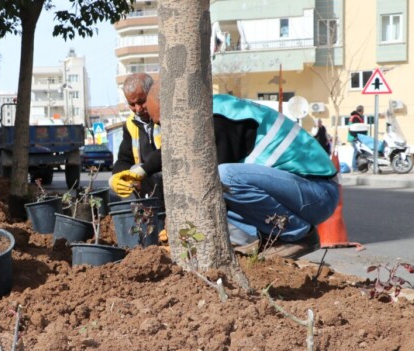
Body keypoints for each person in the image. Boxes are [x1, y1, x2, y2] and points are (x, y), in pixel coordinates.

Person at [135, 80, 338, 259]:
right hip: (303, 192)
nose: (164, 130)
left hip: (318, 192)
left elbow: (206, 187)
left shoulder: (218, 120)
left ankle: (298, 235)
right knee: (222, 187)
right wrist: (143, 170)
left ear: (176, 110)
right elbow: (174, 149)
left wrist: (177, 222)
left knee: (222, 179)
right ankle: (265, 240)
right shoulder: (207, 114)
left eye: (162, 122)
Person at [108, 73, 163, 202]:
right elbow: (124, 160)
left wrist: (143, 170)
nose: (137, 109)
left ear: (152, 94)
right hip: (148, 189)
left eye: (141, 102)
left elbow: (169, 151)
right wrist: (116, 177)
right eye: (132, 104)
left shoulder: (164, 117)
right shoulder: (130, 124)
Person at [348, 105, 365, 170]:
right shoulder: (356, 117)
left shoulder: (354, 116)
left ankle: (357, 166)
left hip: (353, 137)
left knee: (358, 152)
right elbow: (357, 129)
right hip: (355, 137)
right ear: (362, 111)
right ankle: (355, 167)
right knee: (356, 152)